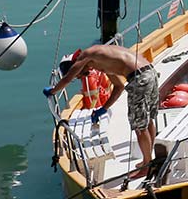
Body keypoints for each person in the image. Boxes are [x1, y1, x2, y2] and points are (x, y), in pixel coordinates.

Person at [45, 44, 161, 179]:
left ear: (75, 65)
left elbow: (67, 78)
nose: (83, 75)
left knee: (140, 126)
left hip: (139, 79)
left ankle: (147, 166)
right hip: (150, 72)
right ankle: (149, 160)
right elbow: (118, 87)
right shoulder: (104, 60)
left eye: (81, 73)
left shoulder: (86, 55)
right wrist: (103, 109)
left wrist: (52, 91)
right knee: (148, 120)